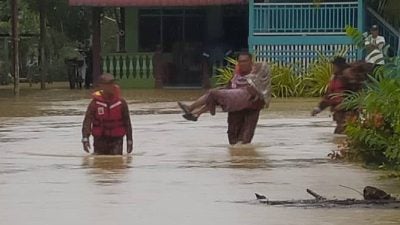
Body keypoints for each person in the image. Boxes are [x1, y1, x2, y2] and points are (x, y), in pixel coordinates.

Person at [178, 52, 272, 145]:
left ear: (251, 62)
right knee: (232, 139)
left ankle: (196, 113)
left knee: (245, 139)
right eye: (240, 62)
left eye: (245, 61)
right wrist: (223, 90)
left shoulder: (258, 72)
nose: (242, 64)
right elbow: (229, 87)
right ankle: (194, 111)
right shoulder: (237, 73)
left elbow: (263, 88)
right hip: (235, 106)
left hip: (252, 107)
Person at [311, 58, 369, 134]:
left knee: (344, 132)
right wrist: (319, 108)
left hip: (347, 111)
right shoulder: (335, 77)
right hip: (339, 112)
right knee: (340, 133)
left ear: (339, 66)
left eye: (334, 66)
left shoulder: (348, 75)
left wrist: (352, 104)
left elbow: (357, 90)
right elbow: (329, 95)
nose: (333, 68)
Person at [81, 74, 133, 155]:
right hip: (100, 139)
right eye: (109, 84)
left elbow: (127, 123)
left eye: (113, 83)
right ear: (102, 86)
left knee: (116, 161)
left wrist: (129, 140)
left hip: (117, 139)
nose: (112, 86)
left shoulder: (121, 103)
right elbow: (87, 122)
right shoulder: (94, 103)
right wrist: (85, 138)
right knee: (99, 163)